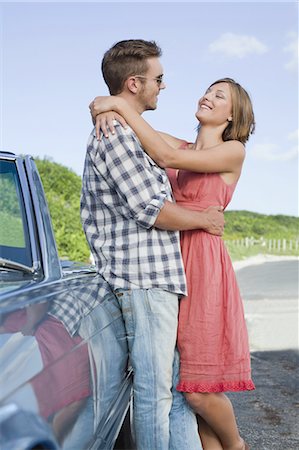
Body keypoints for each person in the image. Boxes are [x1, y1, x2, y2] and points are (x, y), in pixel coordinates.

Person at [89, 77, 256, 450]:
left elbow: (168, 159)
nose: (207, 97)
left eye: (219, 96)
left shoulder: (233, 152)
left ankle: (237, 445)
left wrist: (115, 107)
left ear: (233, 115)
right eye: (207, 90)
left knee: (197, 390)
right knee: (185, 386)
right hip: (168, 257)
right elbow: (135, 123)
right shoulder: (179, 142)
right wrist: (105, 103)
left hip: (203, 264)